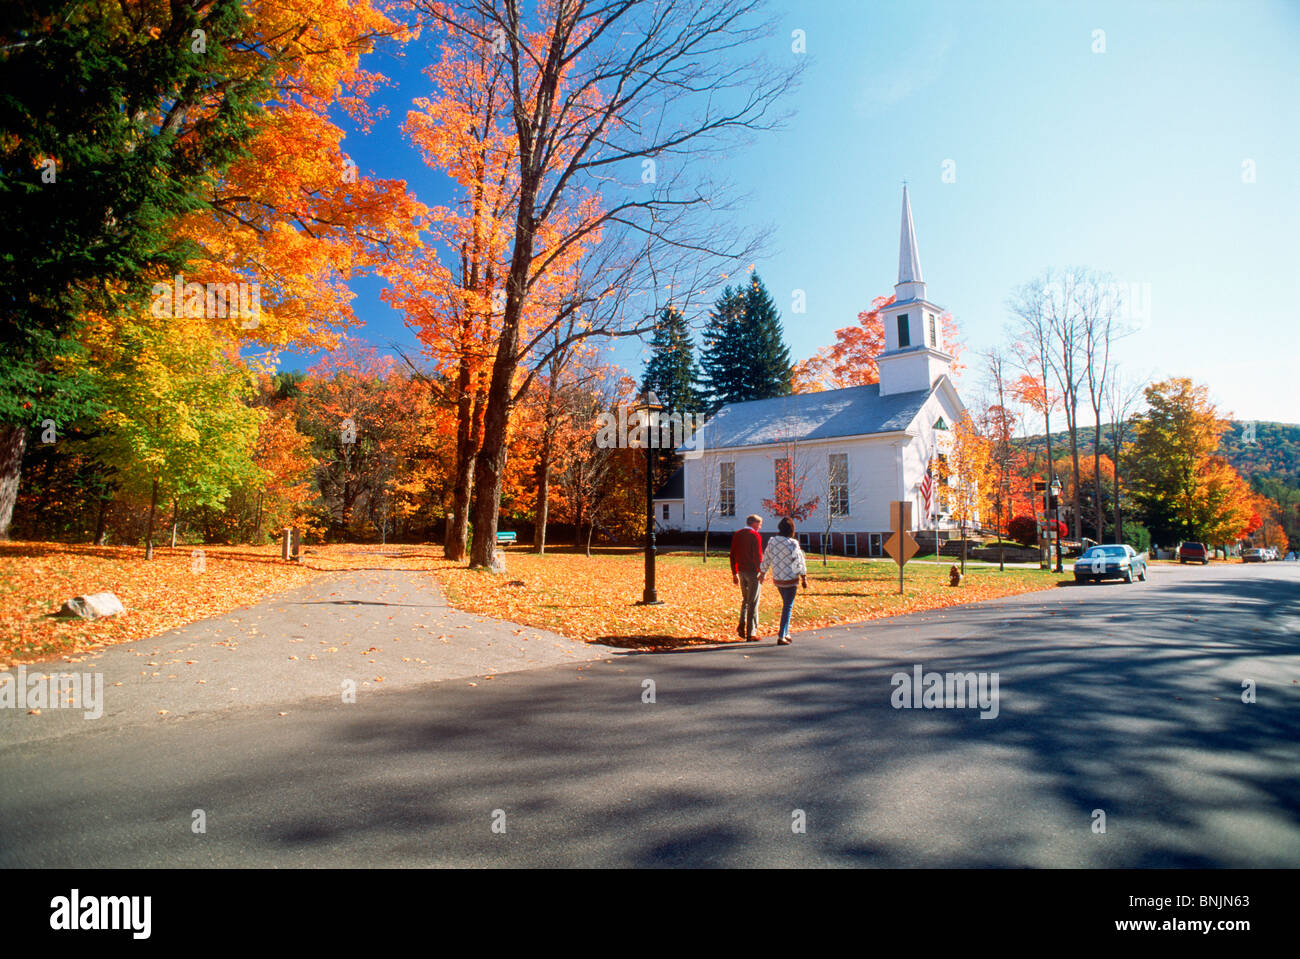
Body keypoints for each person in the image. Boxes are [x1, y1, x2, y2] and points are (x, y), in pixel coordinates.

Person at [758, 516, 808, 646]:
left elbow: (766, 558)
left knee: (786, 605)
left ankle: (786, 633)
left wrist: (762, 573)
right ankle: (781, 635)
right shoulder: (792, 543)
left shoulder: (772, 541)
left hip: (778, 579)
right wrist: (803, 577)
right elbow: (799, 561)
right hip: (790, 579)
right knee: (788, 607)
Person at [729, 514, 764, 641]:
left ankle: (742, 624)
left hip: (742, 572)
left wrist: (734, 572)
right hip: (753, 572)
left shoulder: (737, 534)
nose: (760, 526)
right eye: (759, 524)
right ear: (753, 523)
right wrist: (761, 572)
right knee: (753, 601)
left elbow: (732, 554)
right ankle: (751, 632)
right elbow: (758, 556)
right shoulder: (755, 535)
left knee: (746, 600)